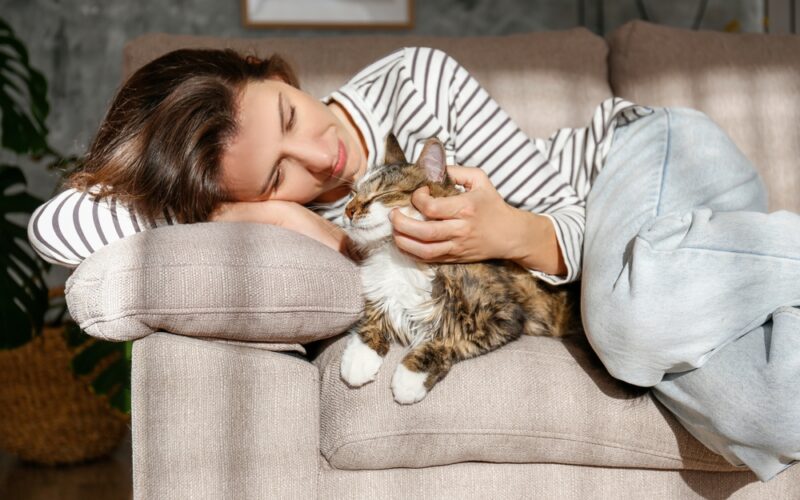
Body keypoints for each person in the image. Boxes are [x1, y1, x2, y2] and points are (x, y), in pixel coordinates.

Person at [27, 47, 798, 481]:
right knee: (764, 416)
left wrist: (505, 231)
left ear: (278, 75)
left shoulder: (414, 84)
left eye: (291, 117)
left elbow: (568, 216)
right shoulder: (311, 214)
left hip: (641, 167)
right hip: (698, 264)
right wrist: (255, 212)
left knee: (634, 322)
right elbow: (57, 228)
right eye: (276, 174)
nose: (319, 155)